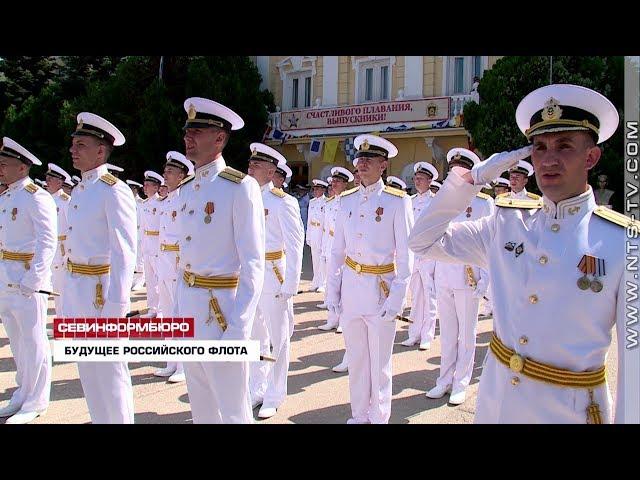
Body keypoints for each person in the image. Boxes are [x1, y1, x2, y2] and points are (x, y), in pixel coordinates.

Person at [409, 83, 632, 423]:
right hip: (499, 405)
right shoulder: (506, 223)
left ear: (591, 156)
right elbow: (421, 241)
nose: (549, 159)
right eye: (539, 147)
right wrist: (472, 179)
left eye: (564, 146)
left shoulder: (623, 243)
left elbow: (635, 370)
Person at [174, 97, 265, 423]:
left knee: (232, 406)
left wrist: (239, 327)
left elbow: (254, 264)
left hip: (222, 314)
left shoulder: (241, 187)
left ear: (220, 138)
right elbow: (182, 264)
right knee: (200, 404)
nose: (188, 136)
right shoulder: (185, 189)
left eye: (197, 130)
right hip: (190, 309)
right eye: (188, 130)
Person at [326, 134, 414, 424]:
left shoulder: (397, 202)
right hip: (352, 287)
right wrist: (332, 291)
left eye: (369, 159)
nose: (361, 163)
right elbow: (337, 250)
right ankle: (359, 415)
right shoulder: (347, 200)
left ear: (383, 166)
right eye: (359, 159)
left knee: (380, 364)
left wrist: (398, 298)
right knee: (357, 359)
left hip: (381, 289)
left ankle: (379, 417)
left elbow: (405, 255)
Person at [63, 112, 137, 423]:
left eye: (81, 145)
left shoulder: (112, 190)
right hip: (77, 290)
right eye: (73, 144)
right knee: (88, 369)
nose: (73, 150)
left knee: (110, 372)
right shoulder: (79, 190)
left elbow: (124, 252)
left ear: (100, 151)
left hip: (100, 294)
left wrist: (117, 306)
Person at [0, 137, 57, 424]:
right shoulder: (6, 196)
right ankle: (22, 392)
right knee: (17, 341)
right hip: (5, 278)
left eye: (4, 164)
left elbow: (48, 242)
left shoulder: (37, 196)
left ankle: (36, 400)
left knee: (34, 342)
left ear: (22, 167)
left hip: (26, 280)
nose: (0, 169)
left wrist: (33, 280)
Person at [247, 143, 304, 419]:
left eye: (257, 165)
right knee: (254, 336)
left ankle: (275, 392)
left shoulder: (284, 202)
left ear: (271, 172)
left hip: (273, 273)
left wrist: (291, 283)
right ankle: (256, 387)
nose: (250, 167)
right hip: (249, 276)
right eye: (251, 162)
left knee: (278, 338)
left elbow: (295, 245)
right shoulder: (243, 197)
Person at [153, 151, 194, 383]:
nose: (165, 174)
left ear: (181, 175)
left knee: (181, 315)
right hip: (164, 263)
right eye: (165, 170)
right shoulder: (167, 199)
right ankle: (172, 361)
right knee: (168, 314)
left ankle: (184, 366)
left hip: (179, 264)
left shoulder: (185, 198)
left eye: (170, 171)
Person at [403, 161, 439, 350]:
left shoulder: (436, 202)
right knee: (415, 296)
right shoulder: (410, 201)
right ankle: (413, 333)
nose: (417, 181)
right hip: (413, 255)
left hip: (429, 255)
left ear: (430, 181)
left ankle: (427, 335)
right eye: (415, 178)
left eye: (421, 179)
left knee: (429, 296)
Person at [45, 163, 73, 318]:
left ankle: (64, 321)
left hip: (62, 249)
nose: (47, 181)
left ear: (60, 182)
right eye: (47, 178)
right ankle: (61, 318)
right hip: (50, 247)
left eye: (51, 178)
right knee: (56, 287)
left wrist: (69, 252)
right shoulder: (46, 199)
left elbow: (72, 229)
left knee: (62, 287)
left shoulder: (65, 201)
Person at [139, 170, 164, 316]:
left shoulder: (161, 203)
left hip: (158, 244)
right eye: (145, 185)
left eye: (148, 185)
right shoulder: (144, 204)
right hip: (147, 244)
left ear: (156, 187)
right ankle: (152, 308)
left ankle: (161, 309)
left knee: (160, 278)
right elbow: (142, 227)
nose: (145, 187)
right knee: (149, 280)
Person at [306, 179, 328, 292]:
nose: (315, 191)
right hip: (314, 231)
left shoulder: (327, 202)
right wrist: (308, 235)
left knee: (322, 258)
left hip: (322, 232)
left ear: (323, 190)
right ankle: (315, 281)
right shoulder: (312, 202)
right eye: (314, 189)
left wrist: (326, 237)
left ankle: (323, 283)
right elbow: (309, 219)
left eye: (318, 189)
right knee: (314, 258)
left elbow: (326, 222)